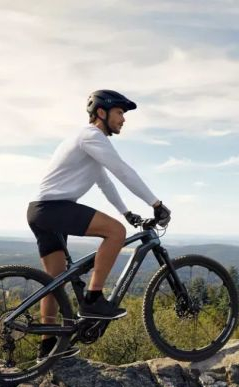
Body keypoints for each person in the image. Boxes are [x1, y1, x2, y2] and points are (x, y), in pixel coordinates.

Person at [27, 89, 171, 361]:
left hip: (39, 211)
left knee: (55, 283)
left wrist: (126, 211)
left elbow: (105, 181)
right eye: (120, 113)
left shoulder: (87, 142)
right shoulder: (91, 136)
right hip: (54, 209)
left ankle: (48, 348)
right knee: (115, 232)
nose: (123, 120)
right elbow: (123, 170)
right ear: (101, 113)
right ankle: (94, 300)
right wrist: (155, 203)